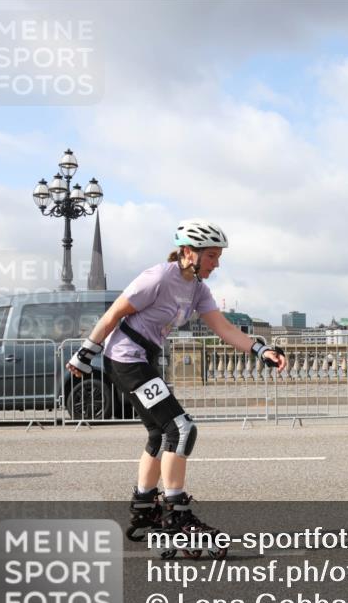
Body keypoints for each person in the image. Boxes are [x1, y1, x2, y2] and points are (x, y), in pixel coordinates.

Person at [67, 221, 286, 542]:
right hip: (126, 359)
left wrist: (261, 350)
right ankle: (176, 514)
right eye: (211, 256)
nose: (217, 263)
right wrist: (85, 353)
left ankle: (144, 506)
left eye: (218, 256)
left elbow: (224, 329)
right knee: (181, 429)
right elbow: (114, 313)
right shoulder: (158, 277)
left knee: (160, 434)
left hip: (144, 359)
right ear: (188, 252)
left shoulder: (198, 289)